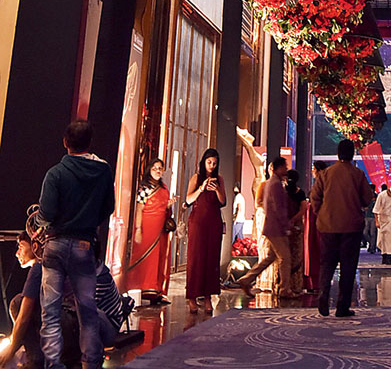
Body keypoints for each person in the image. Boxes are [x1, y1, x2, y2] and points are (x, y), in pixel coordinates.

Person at [37, 119, 115, 369]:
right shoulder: (103, 171)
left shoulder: (55, 173)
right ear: (90, 142)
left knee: (50, 311)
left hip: (55, 246)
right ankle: (90, 362)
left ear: (65, 142)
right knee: (87, 310)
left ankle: (53, 364)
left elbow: (46, 214)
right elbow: (108, 207)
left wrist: (38, 219)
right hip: (84, 245)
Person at [1, 231, 122, 369]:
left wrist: (11, 350)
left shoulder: (44, 265)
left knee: (20, 304)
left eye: (21, 247)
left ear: (35, 247)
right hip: (98, 328)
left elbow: (24, 316)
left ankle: (39, 361)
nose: (17, 253)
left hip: (99, 331)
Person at [311, 138, 372, 317]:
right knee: (348, 267)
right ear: (353, 154)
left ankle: (323, 296)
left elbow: (315, 198)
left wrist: (322, 213)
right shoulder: (357, 174)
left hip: (328, 226)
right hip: (351, 226)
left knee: (327, 264)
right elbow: (367, 198)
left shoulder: (326, 174)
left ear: (338, 154)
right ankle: (342, 306)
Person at [237, 156, 296, 299]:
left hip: (272, 227)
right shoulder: (275, 184)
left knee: (270, 257)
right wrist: (286, 225)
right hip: (276, 228)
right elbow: (278, 207)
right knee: (285, 258)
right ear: (277, 168)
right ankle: (284, 289)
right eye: (284, 166)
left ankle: (246, 279)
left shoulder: (271, 183)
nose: (286, 169)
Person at [127, 157, 174, 305]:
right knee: (144, 259)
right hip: (147, 229)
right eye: (155, 168)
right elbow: (139, 208)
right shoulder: (144, 187)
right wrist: (138, 229)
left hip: (161, 231)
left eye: (160, 168)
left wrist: (168, 205)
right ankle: (139, 289)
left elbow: (162, 207)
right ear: (149, 170)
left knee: (159, 260)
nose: (158, 171)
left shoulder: (164, 187)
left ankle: (157, 291)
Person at [185, 147, 226, 313]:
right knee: (196, 258)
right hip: (198, 222)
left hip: (214, 222)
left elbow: (223, 201)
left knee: (211, 259)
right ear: (204, 162)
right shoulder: (196, 178)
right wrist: (201, 188)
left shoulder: (220, 179)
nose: (212, 166)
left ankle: (208, 296)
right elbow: (188, 199)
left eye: (214, 163)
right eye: (209, 162)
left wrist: (216, 188)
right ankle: (192, 297)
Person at [285, 169, 308, 296]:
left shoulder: (283, 191)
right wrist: (295, 219)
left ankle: (284, 284)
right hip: (297, 226)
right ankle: (296, 285)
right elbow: (304, 208)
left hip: (284, 226)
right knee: (297, 256)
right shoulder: (300, 192)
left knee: (284, 256)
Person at [304, 161, 325, 291]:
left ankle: (316, 282)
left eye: (313, 168)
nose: (312, 171)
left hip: (316, 218)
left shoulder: (320, 184)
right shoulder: (323, 184)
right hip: (316, 218)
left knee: (315, 248)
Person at [373, 184, 391, 265]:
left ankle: (389, 257)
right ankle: (384, 257)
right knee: (381, 239)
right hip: (381, 218)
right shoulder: (381, 195)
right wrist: (377, 221)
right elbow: (375, 210)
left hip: (389, 218)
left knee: (390, 239)